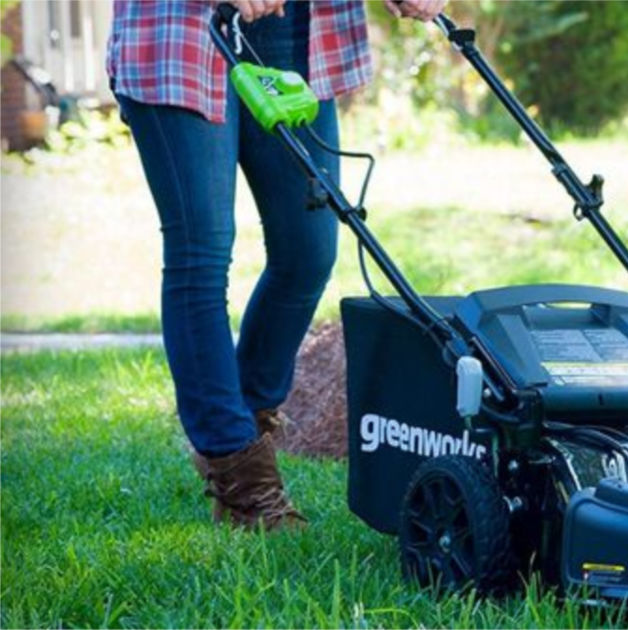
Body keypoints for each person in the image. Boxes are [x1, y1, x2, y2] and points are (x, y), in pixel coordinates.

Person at [107, 0, 445, 530]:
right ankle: (240, 474)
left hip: (297, 28)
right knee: (202, 251)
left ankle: (242, 421)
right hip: (181, 28)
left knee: (308, 251)